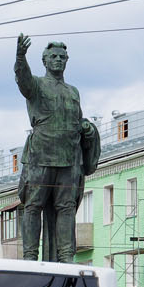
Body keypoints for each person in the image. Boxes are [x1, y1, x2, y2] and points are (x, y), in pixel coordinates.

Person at [13, 34, 101, 262]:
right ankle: (30, 257)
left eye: (62, 57)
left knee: (66, 208)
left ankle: (65, 257)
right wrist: (20, 56)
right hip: (41, 155)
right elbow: (22, 80)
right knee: (33, 206)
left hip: (69, 158)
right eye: (53, 56)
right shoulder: (37, 85)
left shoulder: (73, 92)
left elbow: (77, 121)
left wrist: (87, 128)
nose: (58, 60)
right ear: (44, 61)